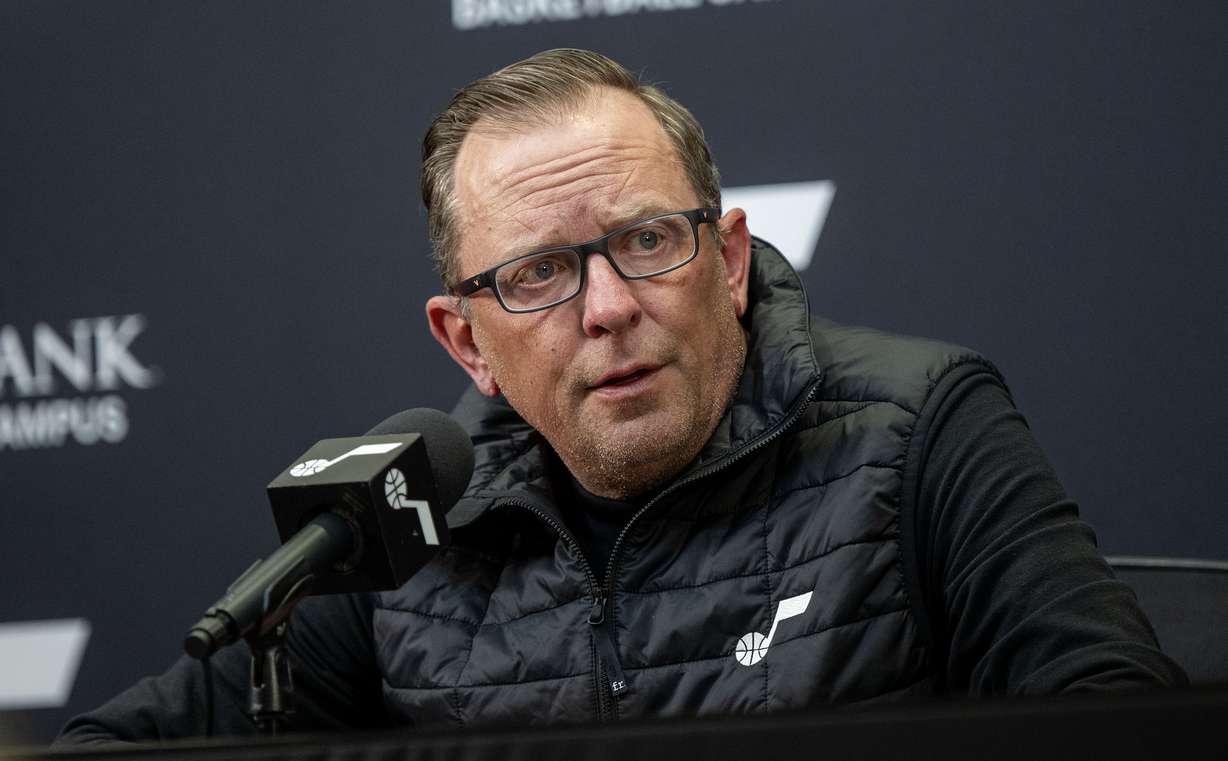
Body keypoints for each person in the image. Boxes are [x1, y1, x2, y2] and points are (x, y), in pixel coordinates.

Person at [57, 48, 1184, 744]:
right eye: (538, 272)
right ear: (467, 341)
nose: (603, 307)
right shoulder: (403, 531)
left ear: (729, 260)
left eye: (646, 239)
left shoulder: (919, 426)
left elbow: (1115, 711)